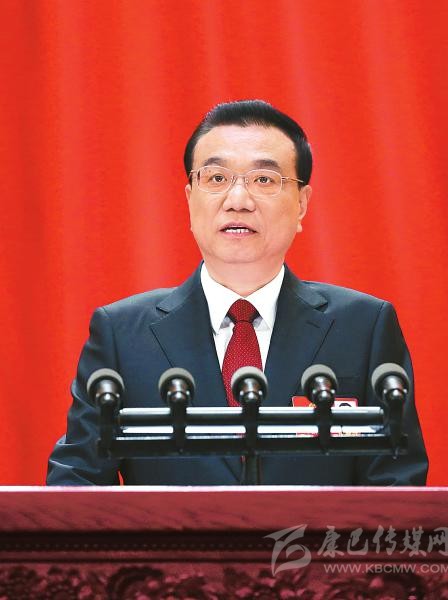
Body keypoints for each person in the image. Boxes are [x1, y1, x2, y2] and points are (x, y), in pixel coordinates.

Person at [47, 100, 428, 486]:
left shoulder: (362, 327)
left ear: (301, 204)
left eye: (264, 180)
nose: (238, 201)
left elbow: (398, 483)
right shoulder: (122, 333)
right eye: (216, 178)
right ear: (189, 198)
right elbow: (76, 481)